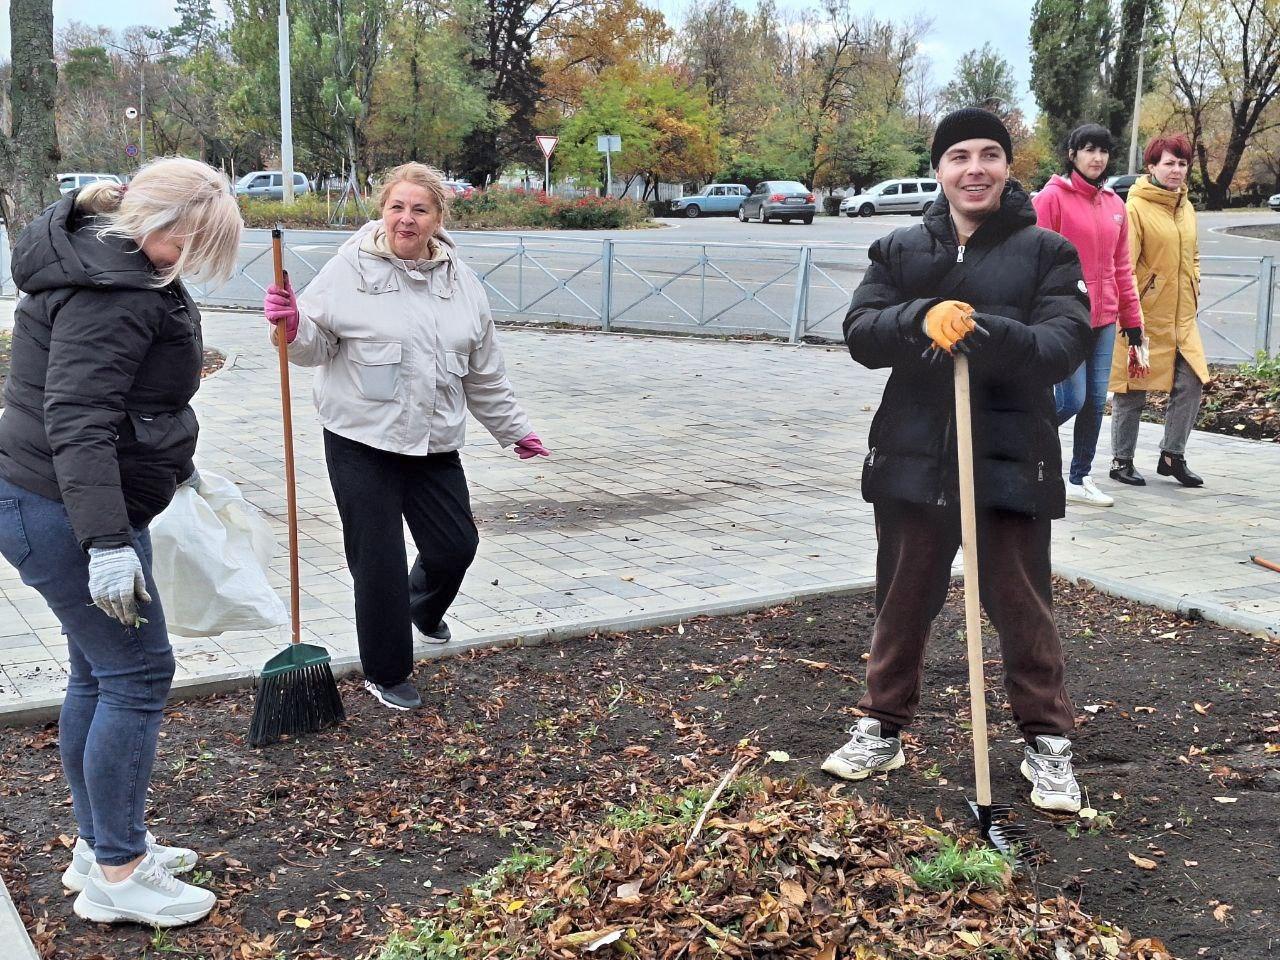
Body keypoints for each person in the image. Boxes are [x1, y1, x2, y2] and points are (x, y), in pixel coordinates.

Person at [824, 108, 1092, 813]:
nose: (975, 168)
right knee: (903, 598)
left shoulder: (1047, 253)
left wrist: (983, 329)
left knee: (1022, 604)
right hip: (915, 456)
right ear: (939, 169)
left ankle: (1047, 745)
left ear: (1008, 167)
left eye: (990, 155)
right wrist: (919, 317)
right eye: (959, 156)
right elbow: (860, 332)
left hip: (1010, 455)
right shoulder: (899, 249)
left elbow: (1064, 343)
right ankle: (882, 725)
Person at [0, 158, 242, 925]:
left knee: (97, 675)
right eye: (193, 244)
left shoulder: (109, 259)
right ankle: (120, 870)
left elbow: (127, 398)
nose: (193, 262)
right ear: (160, 224)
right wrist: (106, 541)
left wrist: (181, 461)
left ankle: (101, 841)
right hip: (64, 512)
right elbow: (78, 420)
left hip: (50, 500)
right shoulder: (113, 292)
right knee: (138, 675)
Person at [262, 162, 548, 712]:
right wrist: (293, 326)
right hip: (360, 438)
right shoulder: (349, 269)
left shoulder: (461, 283)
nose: (406, 218)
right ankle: (387, 670)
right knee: (379, 560)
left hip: (435, 441)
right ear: (382, 211)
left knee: (455, 545)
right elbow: (312, 345)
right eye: (397, 207)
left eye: (419, 209)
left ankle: (421, 607)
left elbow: (482, 371)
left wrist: (515, 431)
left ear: (439, 218)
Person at [1033, 123, 1144, 507]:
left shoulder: (1115, 205)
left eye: (1103, 151)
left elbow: (1122, 267)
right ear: (1072, 154)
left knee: (1097, 401)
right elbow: (1036, 261)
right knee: (1071, 399)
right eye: (1088, 150)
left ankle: (1079, 478)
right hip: (1064, 319)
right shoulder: (1051, 199)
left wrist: (1132, 320)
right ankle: (1018, 444)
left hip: (1105, 319)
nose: (1097, 158)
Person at [1108, 133, 1209, 488]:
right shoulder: (1135, 208)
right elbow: (1124, 264)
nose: (1177, 170)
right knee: (1133, 387)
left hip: (1181, 318)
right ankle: (1121, 461)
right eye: (1169, 163)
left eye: (1182, 164)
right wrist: (1129, 312)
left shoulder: (1186, 207)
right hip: (1143, 317)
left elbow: (1192, 254)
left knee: (1193, 381)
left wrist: (1195, 284)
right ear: (1151, 167)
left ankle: (1172, 455)